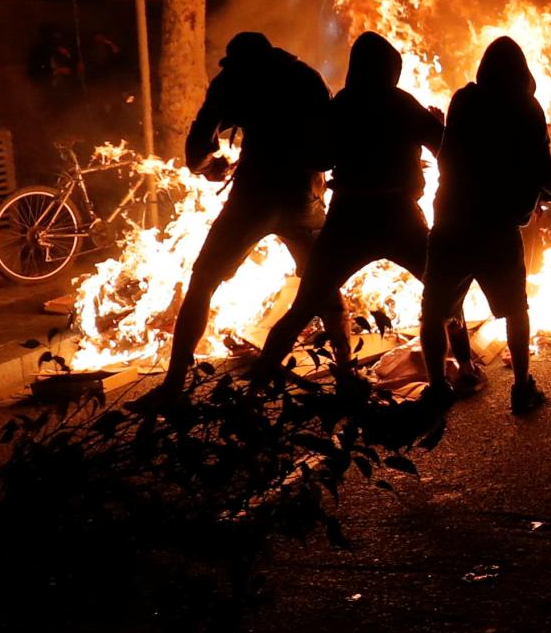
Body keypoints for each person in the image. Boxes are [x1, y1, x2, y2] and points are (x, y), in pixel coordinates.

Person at [132, 33, 350, 413]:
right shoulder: (308, 78)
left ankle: (173, 386)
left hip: (253, 198)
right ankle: (347, 376)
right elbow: (331, 147)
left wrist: (212, 167)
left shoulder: (233, 81)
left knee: (202, 282)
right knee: (324, 284)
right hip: (304, 196)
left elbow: (196, 151)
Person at [253, 32, 474, 384]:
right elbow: (445, 148)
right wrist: (437, 128)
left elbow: (319, 157)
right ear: (390, 70)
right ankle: (465, 367)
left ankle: (258, 382)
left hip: (349, 216)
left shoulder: (342, 104)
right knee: (445, 292)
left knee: (304, 305)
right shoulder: (401, 102)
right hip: (397, 214)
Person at [419, 37, 551, 414]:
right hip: (496, 227)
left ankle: (436, 389)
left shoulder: (463, 100)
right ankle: (522, 389)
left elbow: (448, 157)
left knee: (434, 310)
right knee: (515, 308)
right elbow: (543, 170)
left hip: (451, 221)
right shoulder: (526, 109)